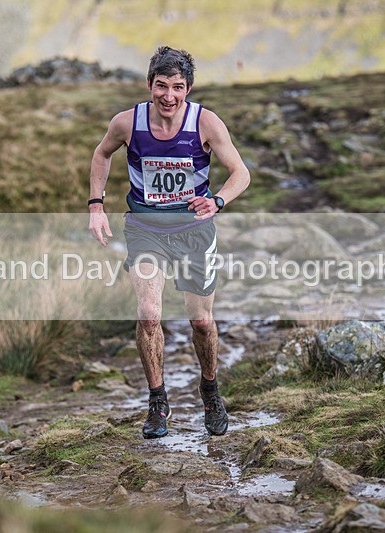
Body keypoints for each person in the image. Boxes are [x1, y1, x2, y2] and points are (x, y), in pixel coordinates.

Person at [88, 46, 250, 439]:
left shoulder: (206, 123)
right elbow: (102, 153)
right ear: (149, 85)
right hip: (145, 229)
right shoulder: (127, 123)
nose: (169, 95)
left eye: (178, 87)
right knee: (148, 314)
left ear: (188, 88)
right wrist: (96, 204)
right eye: (161, 86)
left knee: (201, 321)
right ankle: (158, 402)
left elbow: (240, 173)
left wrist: (217, 201)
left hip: (194, 231)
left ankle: (210, 391)